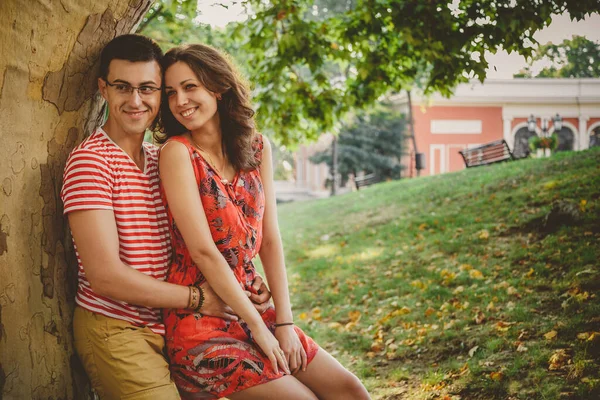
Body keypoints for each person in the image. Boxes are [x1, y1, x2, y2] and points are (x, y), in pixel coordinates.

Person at [60, 34, 271, 400]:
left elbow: (205, 243)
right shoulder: (90, 162)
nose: (136, 100)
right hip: (118, 328)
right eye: (123, 87)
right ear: (103, 89)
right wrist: (196, 298)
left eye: (148, 88)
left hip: (173, 324)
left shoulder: (162, 158)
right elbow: (105, 277)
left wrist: (244, 282)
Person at [157, 43, 370, 400]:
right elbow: (203, 252)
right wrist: (259, 329)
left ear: (219, 87)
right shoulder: (177, 153)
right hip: (201, 323)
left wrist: (283, 322)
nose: (180, 100)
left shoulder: (256, 148)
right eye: (171, 93)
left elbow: (270, 240)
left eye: (190, 86)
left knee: (350, 391)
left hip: (256, 309)